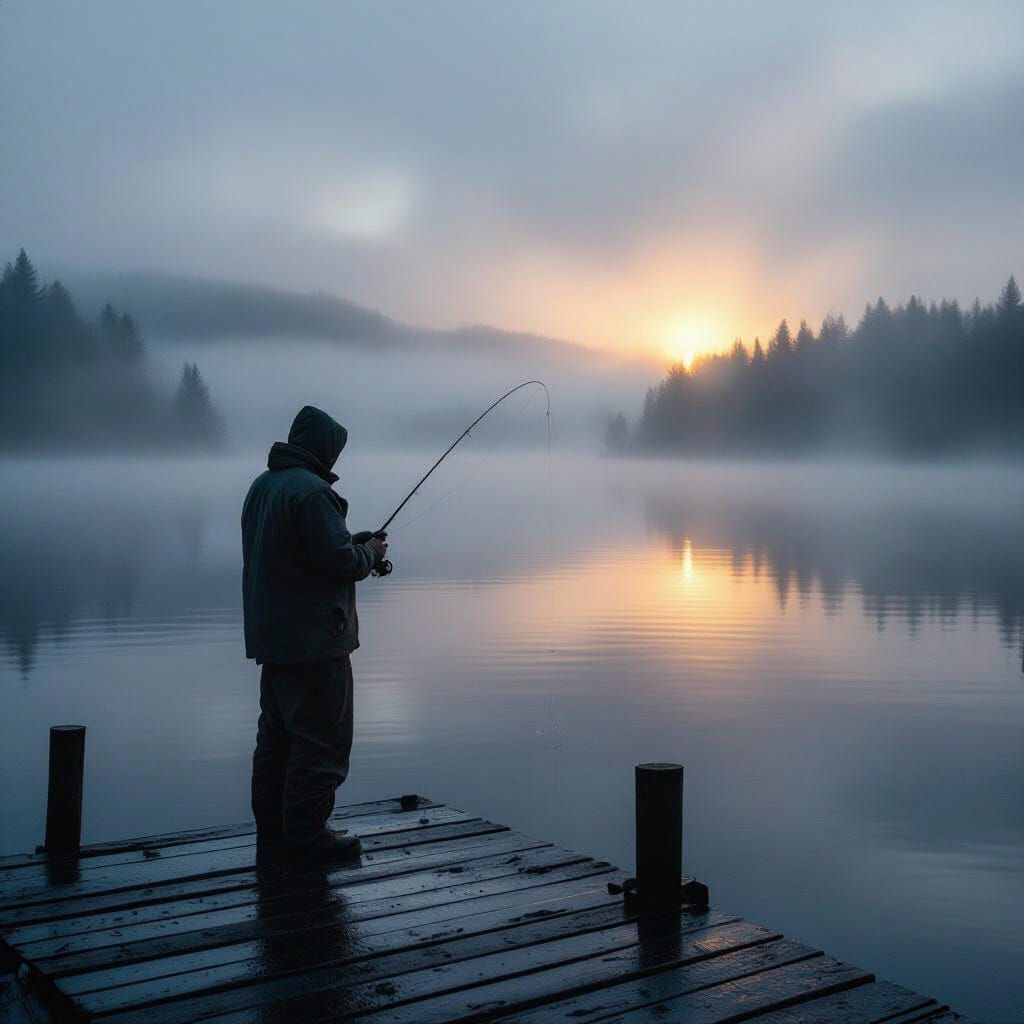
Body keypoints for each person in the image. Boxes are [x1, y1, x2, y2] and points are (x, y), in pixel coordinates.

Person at [241, 405, 388, 862]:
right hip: (316, 643)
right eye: (335, 450)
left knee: (277, 741)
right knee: (322, 742)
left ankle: (274, 831)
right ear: (323, 448)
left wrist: (352, 541)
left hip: (274, 640)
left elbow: (304, 550)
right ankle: (307, 836)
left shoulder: (262, 488)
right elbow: (341, 563)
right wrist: (369, 552)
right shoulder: (313, 493)